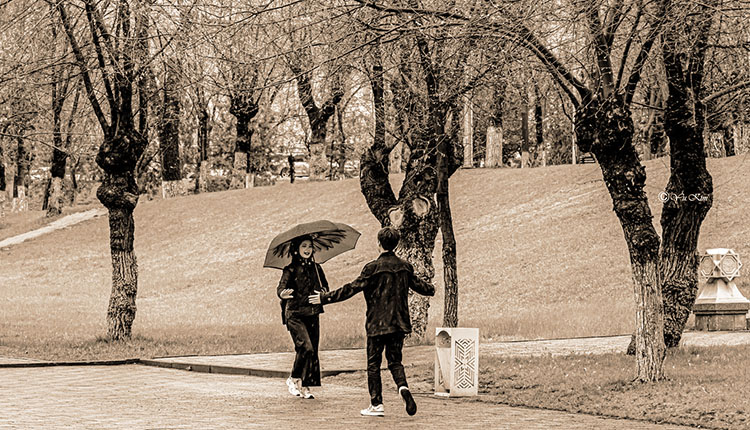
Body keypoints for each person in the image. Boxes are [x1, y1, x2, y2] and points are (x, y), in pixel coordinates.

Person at [309, 227, 434, 417]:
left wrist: (325, 298)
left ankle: (377, 404)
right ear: (396, 244)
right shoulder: (405, 267)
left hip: (377, 324)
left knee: (373, 364)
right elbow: (422, 287)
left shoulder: (372, 268)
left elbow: (351, 288)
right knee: (395, 361)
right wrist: (431, 288)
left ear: (378, 244)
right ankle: (403, 388)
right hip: (399, 323)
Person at [277, 235, 328, 399]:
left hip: (313, 313)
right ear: (296, 249)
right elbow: (281, 288)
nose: (307, 249)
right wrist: (282, 294)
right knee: (306, 347)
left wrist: (323, 294)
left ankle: (305, 386)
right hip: (294, 314)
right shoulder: (290, 269)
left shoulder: (317, 269)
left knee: (311, 351)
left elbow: (325, 287)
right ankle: (293, 378)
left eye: (310, 246)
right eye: (304, 246)